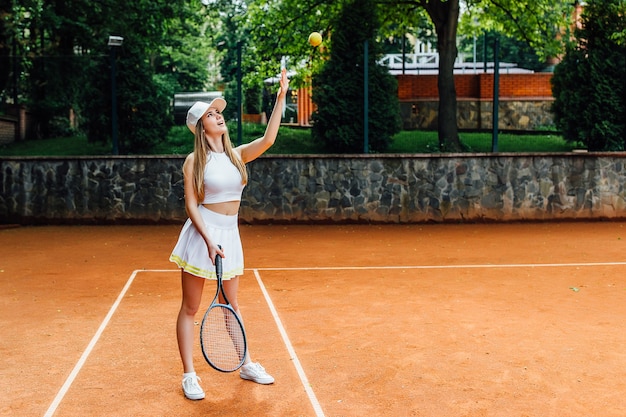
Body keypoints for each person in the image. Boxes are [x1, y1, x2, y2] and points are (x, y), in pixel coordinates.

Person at [169, 68, 289, 400]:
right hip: (202, 235)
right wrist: (207, 239)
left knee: (230, 303)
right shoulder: (194, 160)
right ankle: (189, 375)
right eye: (211, 114)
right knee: (191, 307)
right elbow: (191, 205)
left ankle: (246, 363)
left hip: (231, 235)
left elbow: (268, 140)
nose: (219, 117)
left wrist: (281, 96)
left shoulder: (236, 156)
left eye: (219, 112)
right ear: (200, 126)